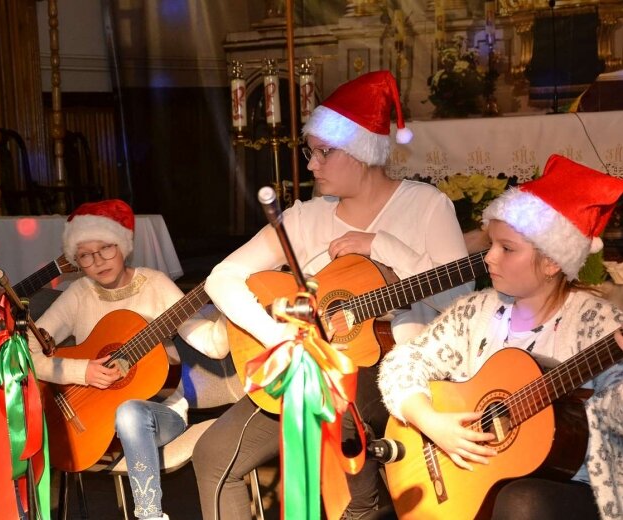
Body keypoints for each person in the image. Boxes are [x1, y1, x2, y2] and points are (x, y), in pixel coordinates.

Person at [195, 70, 473, 520]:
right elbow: (221, 278)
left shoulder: (425, 206)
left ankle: (364, 507)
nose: (311, 165)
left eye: (324, 152)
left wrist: (381, 244)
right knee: (213, 454)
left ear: (362, 152)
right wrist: (277, 339)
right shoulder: (307, 218)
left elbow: (459, 298)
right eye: (311, 152)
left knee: (341, 405)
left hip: (402, 375)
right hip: (312, 374)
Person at [378, 154, 623, 520]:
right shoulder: (476, 311)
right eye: (492, 244)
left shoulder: (596, 324)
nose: (489, 258)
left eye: (507, 248)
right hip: (483, 481)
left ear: (552, 261)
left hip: (578, 487)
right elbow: (404, 361)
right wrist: (431, 422)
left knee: (522, 502)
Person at [27, 199, 227, 520]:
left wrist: (232, 312)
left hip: (161, 414)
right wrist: (82, 371)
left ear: (123, 245)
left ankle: (149, 515)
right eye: (85, 256)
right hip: (89, 418)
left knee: (131, 411)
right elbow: (24, 352)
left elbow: (211, 343)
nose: (98, 261)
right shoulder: (79, 294)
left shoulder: (156, 285)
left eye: (106, 248)